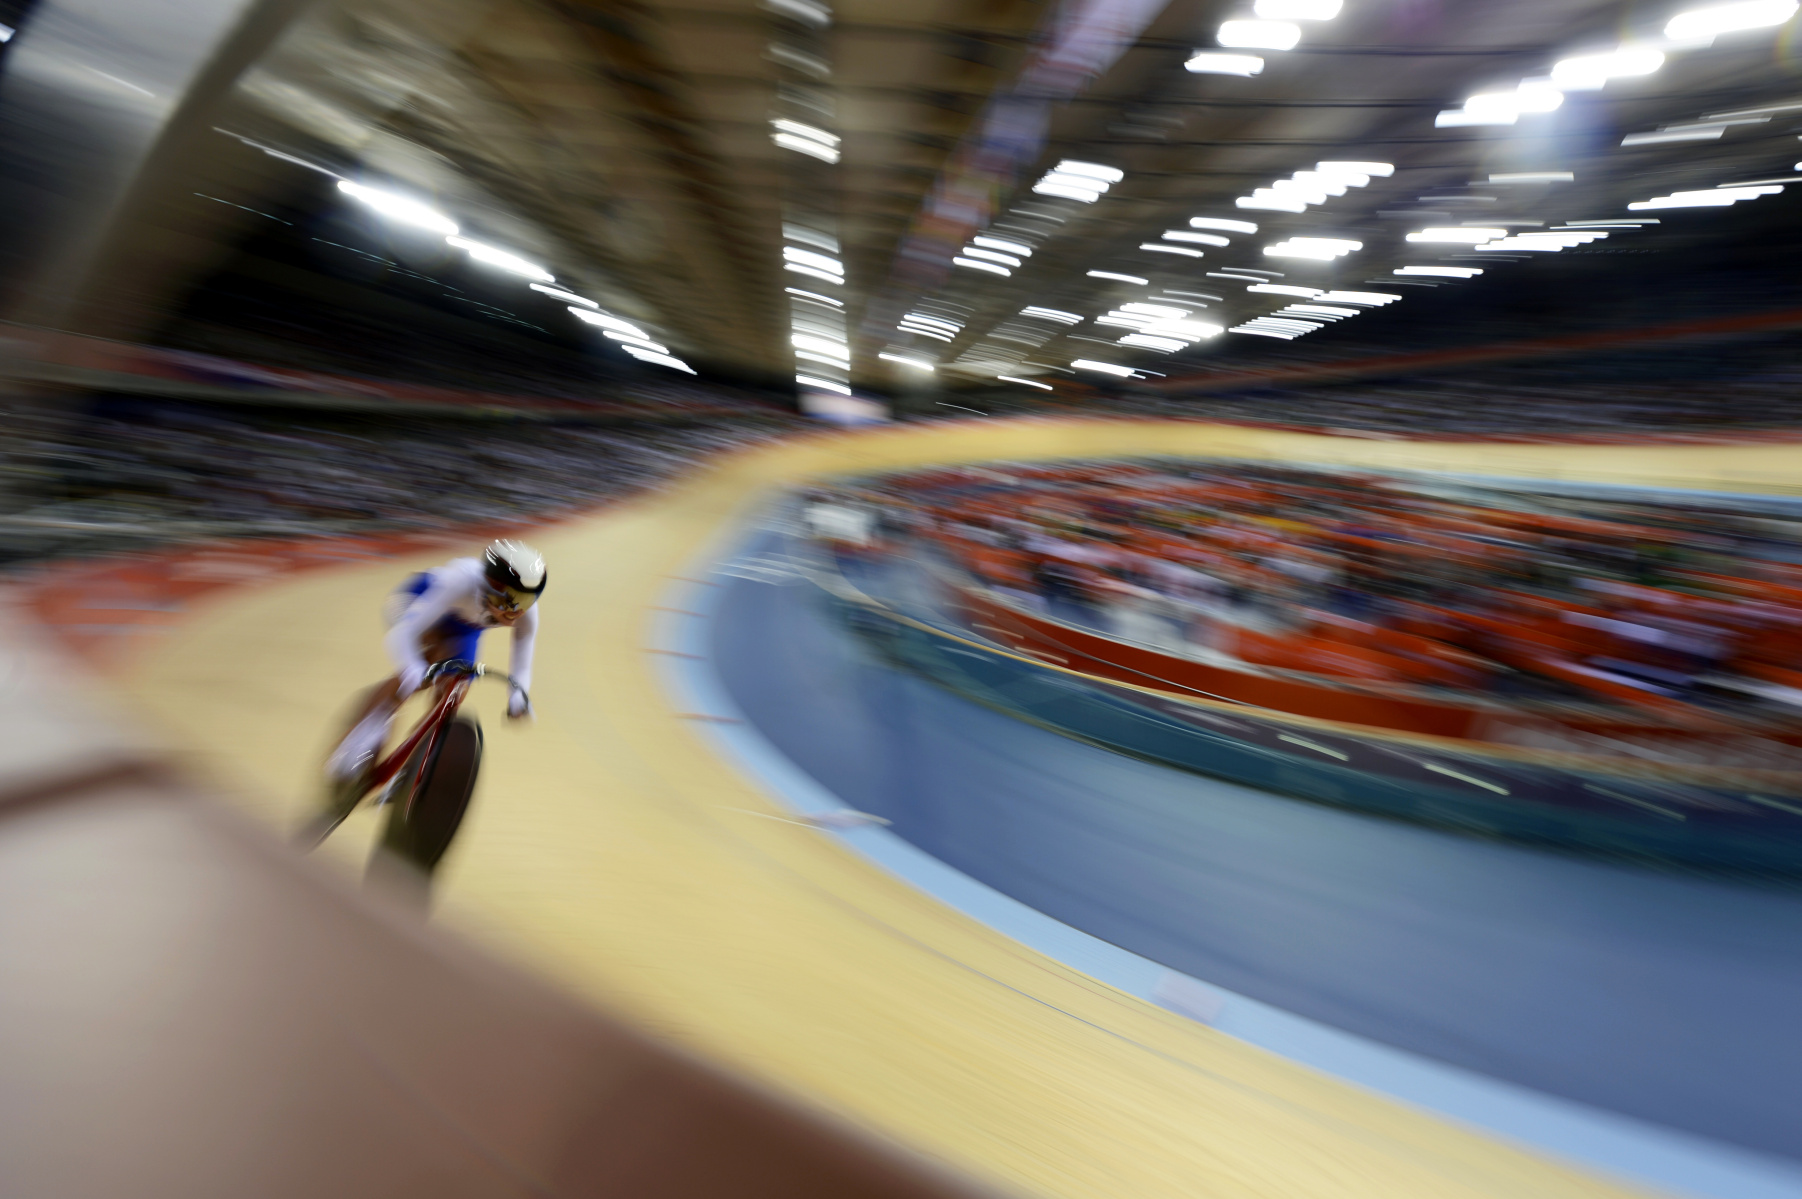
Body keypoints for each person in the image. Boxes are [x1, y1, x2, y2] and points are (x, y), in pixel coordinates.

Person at [323, 539, 546, 793]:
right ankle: (363, 734)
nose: (516, 612)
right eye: (511, 600)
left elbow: (522, 661)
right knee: (431, 664)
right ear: (489, 585)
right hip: (417, 601)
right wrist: (412, 669)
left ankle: (412, 768)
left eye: (526, 600)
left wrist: (518, 697)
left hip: (463, 628)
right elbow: (402, 635)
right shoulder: (461, 580)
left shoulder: (527, 610)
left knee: (453, 692)